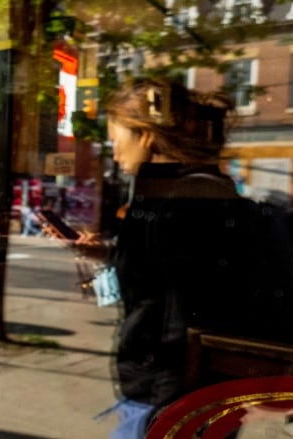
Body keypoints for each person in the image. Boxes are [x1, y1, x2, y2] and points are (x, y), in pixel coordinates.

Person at [82, 78, 256, 438]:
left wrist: (165, 413)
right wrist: (108, 254)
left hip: (164, 397)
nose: (114, 153)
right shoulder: (205, 194)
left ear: (145, 136)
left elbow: (175, 318)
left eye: (117, 140)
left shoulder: (173, 207)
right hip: (189, 392)